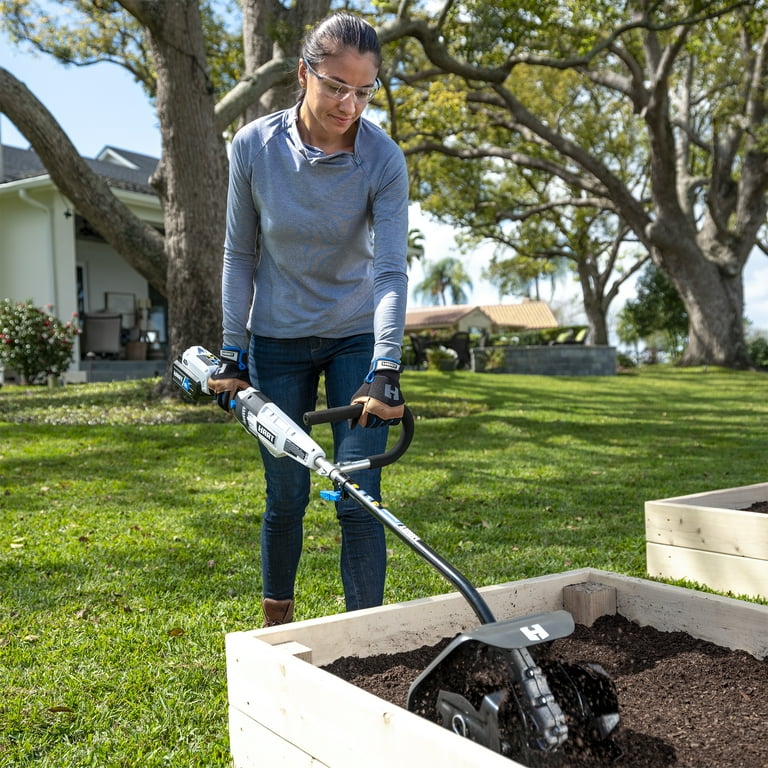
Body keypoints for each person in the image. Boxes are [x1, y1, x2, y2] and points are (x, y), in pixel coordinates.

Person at [207, 12, 409, 627]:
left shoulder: (383, 159)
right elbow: (240, 253)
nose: (351, 104)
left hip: (355, 334)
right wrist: (232, 352)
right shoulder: (253, 147)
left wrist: (386, 364)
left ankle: (366, 646)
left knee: (357, 495)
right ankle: (278, 632)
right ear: (303, 74)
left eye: (365, 91)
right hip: (277, 339)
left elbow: (390, 271)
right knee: (289, 492)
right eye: (336, 87)